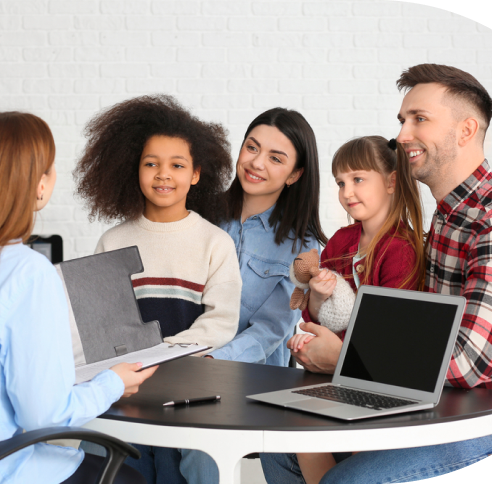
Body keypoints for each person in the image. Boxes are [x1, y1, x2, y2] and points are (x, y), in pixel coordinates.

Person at [262, 64, 492, 483]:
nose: (402, 135)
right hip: (437, 407)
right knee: (280, 453)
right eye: (402, 121)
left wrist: (342, 360)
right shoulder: (446, 217)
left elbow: (465, 364)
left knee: (347, 480)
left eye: (419, 119)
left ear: (466, 130)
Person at [0, 112, 157, 484]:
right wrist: (113, 383)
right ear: (39, 185)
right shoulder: (27, 272)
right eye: (51, 168)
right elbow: (43, 417)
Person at [73, 95, 242, 484]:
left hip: (190, 389)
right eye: (151, 164)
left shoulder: (214, 243)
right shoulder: (113, 240)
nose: (163, 174)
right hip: (124, 387)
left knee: (194, 469)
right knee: (109, 466)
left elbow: (220, 321)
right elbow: (98, 322)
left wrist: (163, 356)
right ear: (134, 170)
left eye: (177, 165)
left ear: (197, 174)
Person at [179, 107, 328, 483]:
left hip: (252, 377)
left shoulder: (305, 248)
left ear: (295, 174)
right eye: (252, 148)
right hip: (185, 361)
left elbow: (273, 327)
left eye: (275, 158)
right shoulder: (202, 214)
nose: (256, 163)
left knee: (201, 445)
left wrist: (215, 360)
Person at [283, 135, 425, 484]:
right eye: (341, 183)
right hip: (330, 374)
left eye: (358, 179)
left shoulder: (402, 249)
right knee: (295, 434)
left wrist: (336, 350)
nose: (347, 192)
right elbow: (315, 315)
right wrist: (316, 298)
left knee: (352, 448)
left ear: (391, 181)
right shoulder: (340, 241)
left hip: (375, 382)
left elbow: (389, 336)